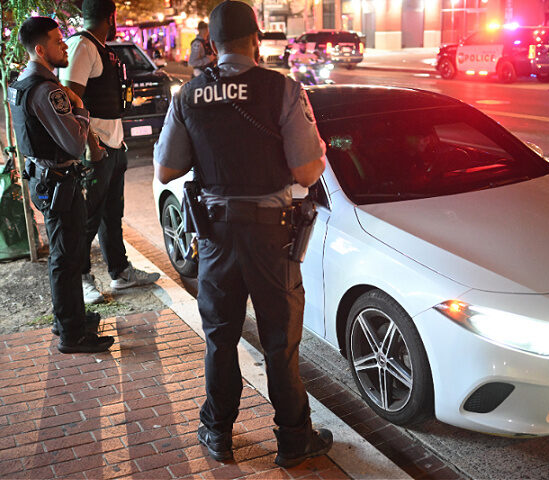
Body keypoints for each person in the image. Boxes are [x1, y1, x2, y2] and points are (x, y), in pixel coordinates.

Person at [153, 0, 332, 468]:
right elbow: (308, 170)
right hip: (271, 239)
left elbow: (168, 166)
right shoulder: (282, 89)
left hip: (215, 238)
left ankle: (218, 434)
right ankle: (294, 439)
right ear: (257, 39)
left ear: (211, 44)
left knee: (221, 337)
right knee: (280, 341)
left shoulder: (188, 96)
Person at [8, 16, 114, 353]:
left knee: (64, 254)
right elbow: (72, 144)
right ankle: (73, 334)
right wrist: (80, 108)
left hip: (45, 180)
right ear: (40, 49)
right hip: (59, 183)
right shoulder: (47, 91)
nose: (64, 45)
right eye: (57, 41)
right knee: (68, 258)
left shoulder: (21, 83)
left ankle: (69, 318)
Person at [59, 0, 159, 305]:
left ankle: (120, 272)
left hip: (113, 145)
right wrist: (90, 143)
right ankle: (82, 278)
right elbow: (67, 96)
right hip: (96, 149)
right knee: (87, 218)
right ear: (111, 17)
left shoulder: (99, 48)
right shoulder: (82, 46)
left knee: (111, 215)